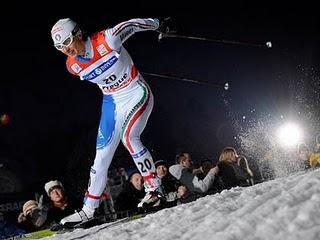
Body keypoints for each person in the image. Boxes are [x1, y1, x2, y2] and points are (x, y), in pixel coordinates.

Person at [50, 17, 170, 227]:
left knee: (129, 137)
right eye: (59, 47)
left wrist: (159, 24)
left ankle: (155, 190)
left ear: (78, 34)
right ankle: (88, 210)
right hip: (112, 103)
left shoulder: (108, 39)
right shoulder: (72, 66)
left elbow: (132, 25)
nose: (65, 49)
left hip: (136, 91)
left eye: (67, 42)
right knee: (101, 158)